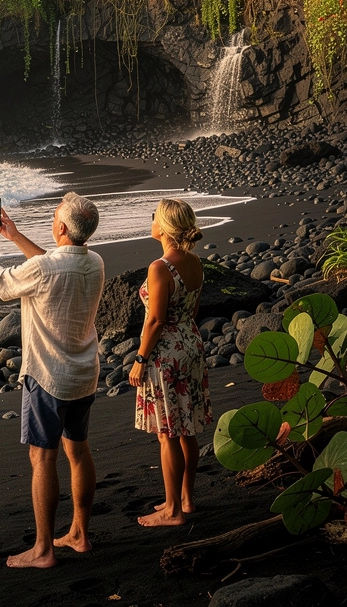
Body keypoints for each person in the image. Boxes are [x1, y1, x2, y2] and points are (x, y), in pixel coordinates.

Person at [0, 192, 104, 569]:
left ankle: (43, 549)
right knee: (78, 451)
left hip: (48, 375)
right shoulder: (94, 261)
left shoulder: (46, 269)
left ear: (61, 227)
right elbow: (52, 262)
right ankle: (79, 533)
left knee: (42, 456)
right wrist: (15, 236)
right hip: (84, 373)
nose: (51, 222)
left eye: (53, 218)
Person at [128, 197, 212, 527]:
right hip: (191, 343)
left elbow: (155, 320)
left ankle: (172, 510)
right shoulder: (194, 262)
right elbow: (193, 309)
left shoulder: (160, 267)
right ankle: (186, 498)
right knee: (186, 427)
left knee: (167, 433)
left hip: (166, 353)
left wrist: (140, 359)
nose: (151, 221)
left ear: (163, 227)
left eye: (154, 217)